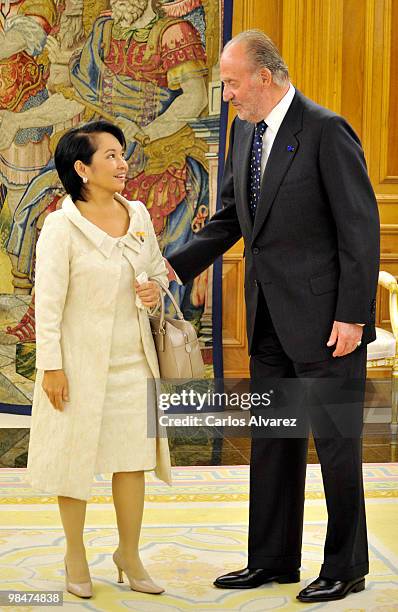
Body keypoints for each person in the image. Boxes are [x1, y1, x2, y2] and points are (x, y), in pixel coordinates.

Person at [167, 30, 380, 603]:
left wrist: (353, 316)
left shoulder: (326, 129)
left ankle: (346, 565)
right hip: (267, 319)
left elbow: (359, 230)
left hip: (328, 323)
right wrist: (175, 266)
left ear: (265, 75)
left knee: (336, 445)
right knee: (273, 442)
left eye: (232, 82)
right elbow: (232, 217)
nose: (227, 94)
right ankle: (271, 559)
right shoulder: (243, 131)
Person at [26, 119, 171, 598]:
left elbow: (156, 274)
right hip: (78, 367)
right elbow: (46, 304)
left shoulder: (140, 215)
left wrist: (154, 289)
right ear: (82, 168)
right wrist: (51, 366)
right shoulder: (60, 227)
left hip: (133, 363)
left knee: (132, 462)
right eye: (110, 155)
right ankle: (75, 555)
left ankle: (128, 554)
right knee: (75, 462)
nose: (122, 162)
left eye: (121, 153)